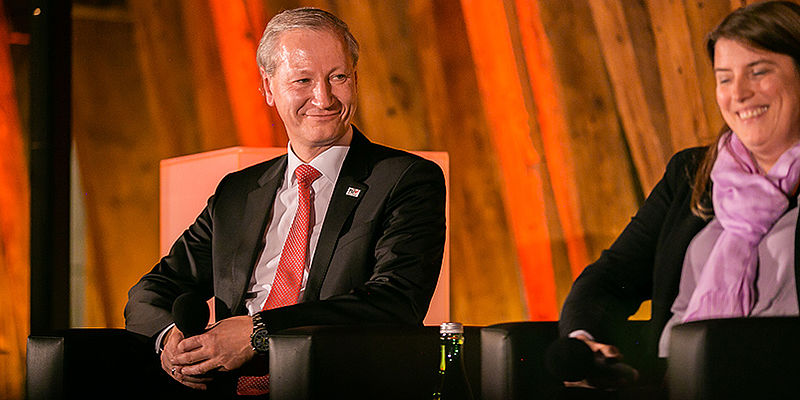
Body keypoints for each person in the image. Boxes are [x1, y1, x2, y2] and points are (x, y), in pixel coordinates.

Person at [124, 7, 446, 397]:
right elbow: (152, 289)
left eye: (338, 77)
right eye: (303, 80)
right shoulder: (239, 191)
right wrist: (168, 339)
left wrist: (261, 331)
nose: (323, 97)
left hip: (331, 384)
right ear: (268, 88)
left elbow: (396, 301)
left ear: (355, 80)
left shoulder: (405, 179)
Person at [558, 0, 800, 394]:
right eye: (724, 78)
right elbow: (611, 278)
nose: (738, 93)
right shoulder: (690, 174)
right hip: (674, 383)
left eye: (759, 72)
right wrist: (585, 339)